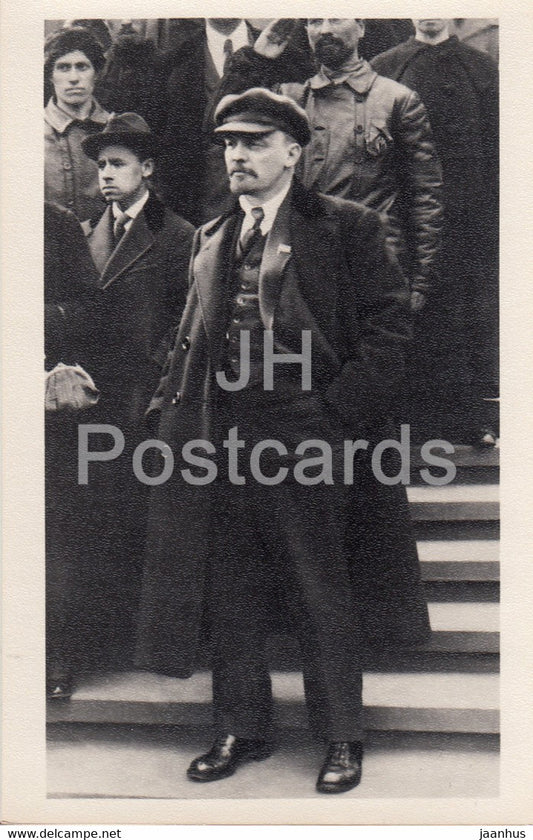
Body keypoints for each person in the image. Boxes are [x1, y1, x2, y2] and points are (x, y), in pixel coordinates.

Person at [135, 89, 430, 794]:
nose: (237, 155)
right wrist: (164, 416)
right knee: (231, 590)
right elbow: (188, 343)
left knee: (317, 587)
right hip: (222, 438)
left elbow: (390, 330)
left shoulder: (347, 226)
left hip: (310, 434)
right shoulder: (210, 239)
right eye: (229, 143)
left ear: (292, 152)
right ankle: (241, 727)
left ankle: (340, 738)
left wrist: (335, 415)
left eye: (255, 142)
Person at [71, 113, 195, 672]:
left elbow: (188, 320)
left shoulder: (180, 234)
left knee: (155, 524)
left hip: (151, 400)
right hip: (98, 399)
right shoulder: (86, 233)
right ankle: (107, 644)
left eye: (118, 164)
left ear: (147, 169)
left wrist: (162, 383)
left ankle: (161, 648)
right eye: (100, 164)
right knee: (102, 519)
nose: (106, 174)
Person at [214, 18, 443, 310]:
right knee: (300, 353)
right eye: (314, 21)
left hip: (373, 266)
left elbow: (426, 195)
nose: (324, 30)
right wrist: (256, 58)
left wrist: (421, 279)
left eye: (335, 18)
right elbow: (217, 125)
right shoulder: (291, 98)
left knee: (372, 352)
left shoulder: (396, 100)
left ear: (361, 27)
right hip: (299, 265)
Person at [372, 19, 499, 444]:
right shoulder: (387, 65)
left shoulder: (481, 67)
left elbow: (498, 144)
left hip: (469, 214)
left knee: (464, 312)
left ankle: (469, 417)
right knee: (409, 306)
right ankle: (409, 420)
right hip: (407, 211)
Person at [144, 18, 313, 224]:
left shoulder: (289, 56)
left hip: (274, 214)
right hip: (196, 214)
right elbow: (157, 146)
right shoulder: (169, 63)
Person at [44, 201, 101, 699]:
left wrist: (37, 317)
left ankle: (55, 655)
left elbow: (90, 311)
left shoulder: (54, 223)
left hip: (39, 404)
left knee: (53, 530)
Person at [44, 27, 110, 220]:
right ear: (50, 75)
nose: (74, 78)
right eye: (63, 67)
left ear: (96, 73)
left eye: (82, 66)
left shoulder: (117, 128)